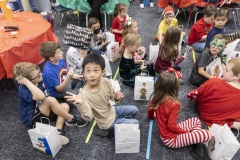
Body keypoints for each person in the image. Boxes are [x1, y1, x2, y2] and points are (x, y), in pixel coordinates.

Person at [64, 54, 139, 138]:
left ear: (103, 72)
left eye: (96, 70)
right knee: (135, 123)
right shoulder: (84, 94)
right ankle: (105, 131)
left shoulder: (105, 81)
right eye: (88, 71)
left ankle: (109, 126)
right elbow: (88, 117)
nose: (92, 75)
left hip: (112, 110)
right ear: (83, 73)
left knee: (135, 110)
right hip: (106, 122)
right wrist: (80, 104)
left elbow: (111, 98)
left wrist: (115, 98)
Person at [13, 62, 88, 144]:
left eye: (39, 71)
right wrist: (27, 83)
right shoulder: (23, 89)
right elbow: (41, 97)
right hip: (31, 118)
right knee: (50, 100)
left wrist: (73, 76)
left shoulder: (39, 80)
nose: (41, 74)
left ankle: (59, 130)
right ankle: (71, 118)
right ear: (29, 81)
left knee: (65, 106)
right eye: (38, 75)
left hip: (43, 110)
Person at [148, 71, 211, 148]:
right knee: (206, 134)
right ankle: (193, 139)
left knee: (195, 121)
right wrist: (186, 132)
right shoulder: (174, 104)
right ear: (174, 88)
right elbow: (171, 126)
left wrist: (151, 117)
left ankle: (192, 139)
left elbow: (150, 109)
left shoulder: (157, 95)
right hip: (171, 140)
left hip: (166, 135)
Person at [187, 58, 240, 129]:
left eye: (226, 70)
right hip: (220, 121)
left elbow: (195, 94)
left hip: (206, 114)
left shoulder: (215, 82)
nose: (223, 71)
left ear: (237, 76)